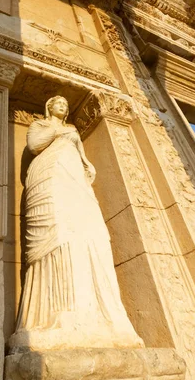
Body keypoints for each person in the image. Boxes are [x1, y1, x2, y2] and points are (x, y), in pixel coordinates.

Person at [9, 96, 143, 351]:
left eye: (65, 103)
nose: (62, 104)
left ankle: (93, 314)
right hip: (47, 176)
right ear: (49, 106)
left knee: (89, 234)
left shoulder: (72, 130)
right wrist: (60, 133)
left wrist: (85, 167)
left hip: (73, 179)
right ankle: (50, 314)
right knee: (57, 230)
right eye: (57, 102)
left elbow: (84, 160)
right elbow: (35, 145)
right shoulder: (40, 126)